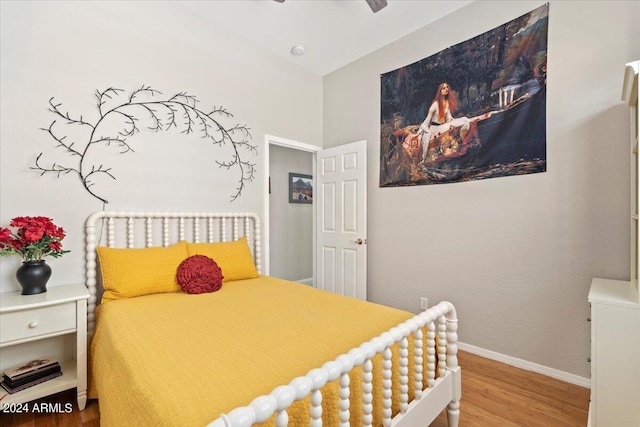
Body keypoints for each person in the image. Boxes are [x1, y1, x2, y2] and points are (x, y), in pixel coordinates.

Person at [417, 82, 470, 161]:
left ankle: (463, 140)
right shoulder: (435, 104)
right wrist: (426, 131)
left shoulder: (446, 103)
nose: (446, 89)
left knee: (465, 120)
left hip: (444, 126)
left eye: (447, 87)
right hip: (435, 128)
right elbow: (427, 121)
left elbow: (449, 118)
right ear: (440, 91)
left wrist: (453, 122)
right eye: (444, 88)